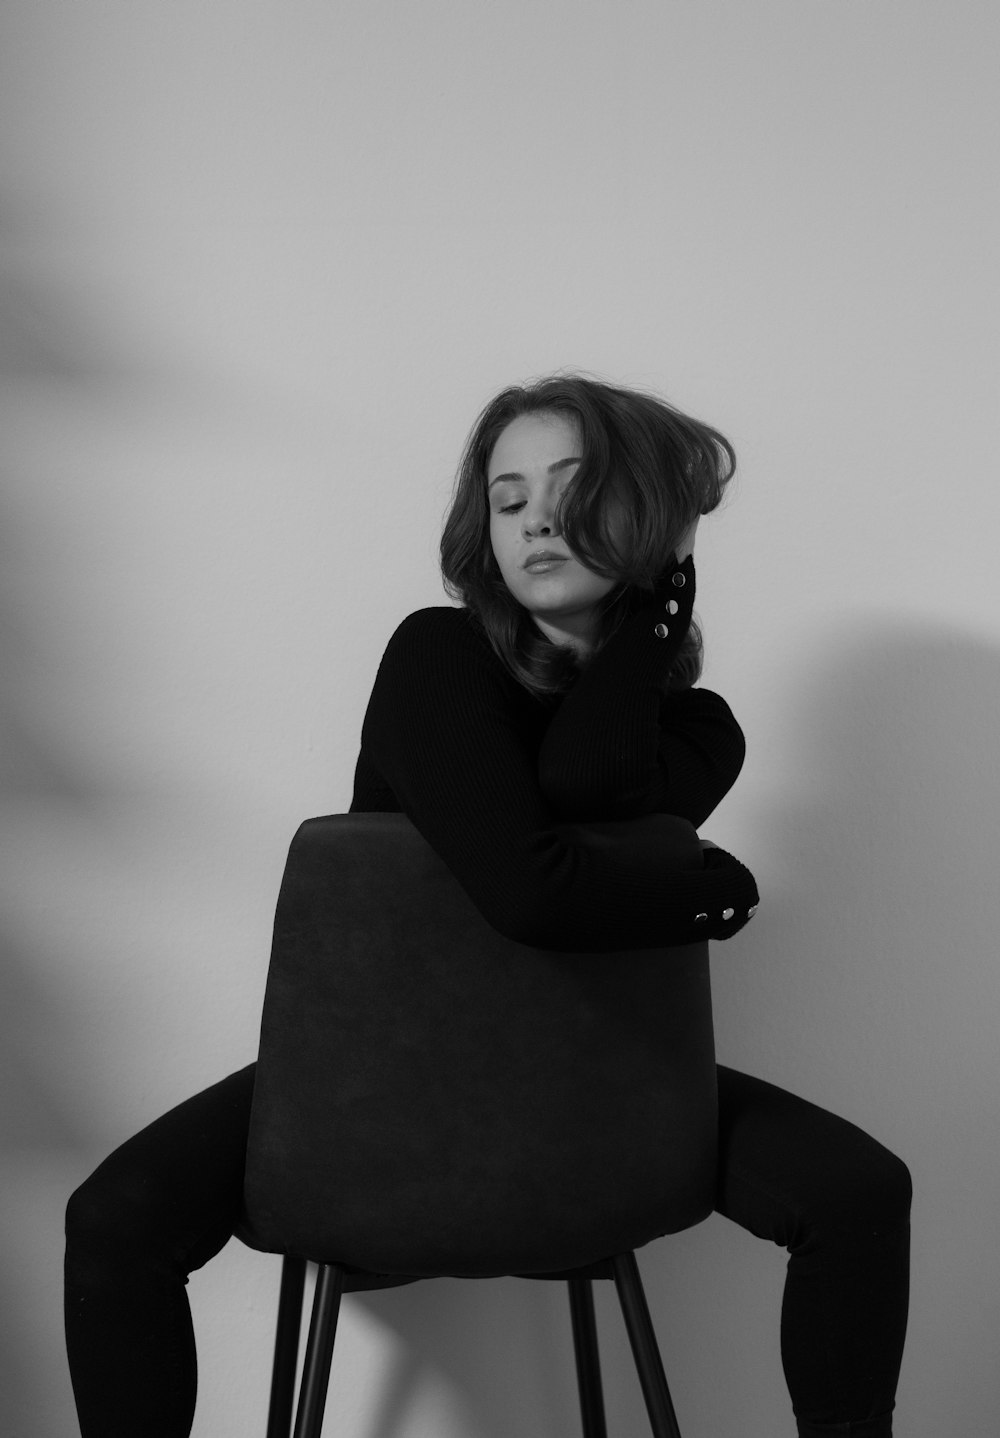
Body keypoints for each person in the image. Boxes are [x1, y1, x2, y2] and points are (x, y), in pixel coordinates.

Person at [64, 374, 911, 1438]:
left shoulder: (698, 730)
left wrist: (650, 615)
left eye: (571, 490)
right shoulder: (439, 656)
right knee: (115, 1218)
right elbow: (528, 888)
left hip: (594, 1084)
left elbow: (584, 785)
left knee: (858, 1191)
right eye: (508, 501)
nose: (536, 522)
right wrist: (705, 895)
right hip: (374, 1089)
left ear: (648, 516)